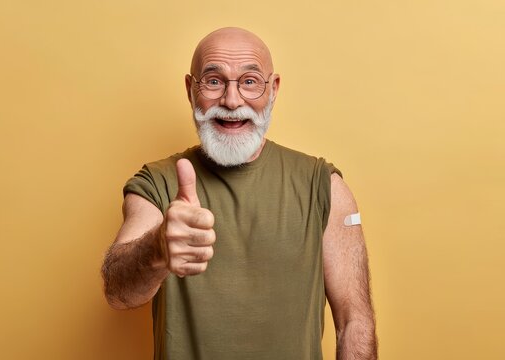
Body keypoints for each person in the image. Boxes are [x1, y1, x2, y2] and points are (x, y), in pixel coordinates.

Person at [102, 27, 377, 360]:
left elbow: (354, 322)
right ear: (191, 90)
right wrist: (157, 248)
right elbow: (118, 293)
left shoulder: (324, 186)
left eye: (249, 82)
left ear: (272, 90)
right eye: (214, 81)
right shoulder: (157, 183)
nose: (232, 102)